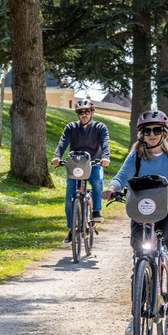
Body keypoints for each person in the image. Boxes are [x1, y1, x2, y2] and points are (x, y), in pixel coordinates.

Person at [100, 109, 168, 335]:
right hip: (142, 211)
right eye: (147, 131)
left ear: (164, 133)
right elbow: (122, 176)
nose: (152, 134)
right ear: (142, 134)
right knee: (140, 259)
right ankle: (136, 315)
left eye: (156, 130)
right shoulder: (136, 155)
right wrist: (112, 188)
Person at [51, 98, 111, 244]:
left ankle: (96, 211)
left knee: (96, 180)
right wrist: (57, 157)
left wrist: (105, 157)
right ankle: (72, 229)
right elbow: (62, 143)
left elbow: (105, 143)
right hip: (75, 164)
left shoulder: (100, 127)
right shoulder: (71, 127)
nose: (84, 114)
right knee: (69, 198)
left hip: (94, 163)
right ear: (78, 114)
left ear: (92, 113)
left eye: (87, 112)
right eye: (81, 112)